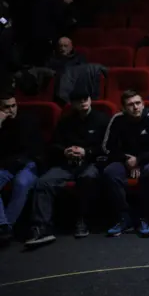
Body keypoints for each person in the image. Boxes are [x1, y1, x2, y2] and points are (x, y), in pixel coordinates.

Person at [24, 89, 109, 247]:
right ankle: (41, 227)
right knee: (44, 182)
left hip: (91, 162)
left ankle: (82, 220)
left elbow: (108, 147)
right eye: (79, 100)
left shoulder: (102, 120)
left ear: (90, 100)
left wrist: (86, 151)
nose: (83, 102)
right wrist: (65, 151)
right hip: (67, 163)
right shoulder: (66, 122)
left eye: (86, 98)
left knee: (88, 178)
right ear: (73, 103)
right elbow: (54, 145)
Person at [101, 90, 149, 238]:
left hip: (148, 160)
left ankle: (144, 217)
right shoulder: (117, 119)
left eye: (138, 103)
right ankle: (124, 216)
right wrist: (127, 160)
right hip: (124, 161)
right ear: (124, 108)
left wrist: (138, 160)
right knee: (110, 172)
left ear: (143, 104)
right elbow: (107, 147)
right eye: (130, 104)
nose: (135, 107)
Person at [0, 90, 42, 243]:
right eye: (6, 107)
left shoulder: (27, 120)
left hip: (27, 163)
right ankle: (3, 226)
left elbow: (29, 148)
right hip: (4, 166)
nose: (11, 110)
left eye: (13, 106)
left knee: (21, 183)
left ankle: (6, 228)